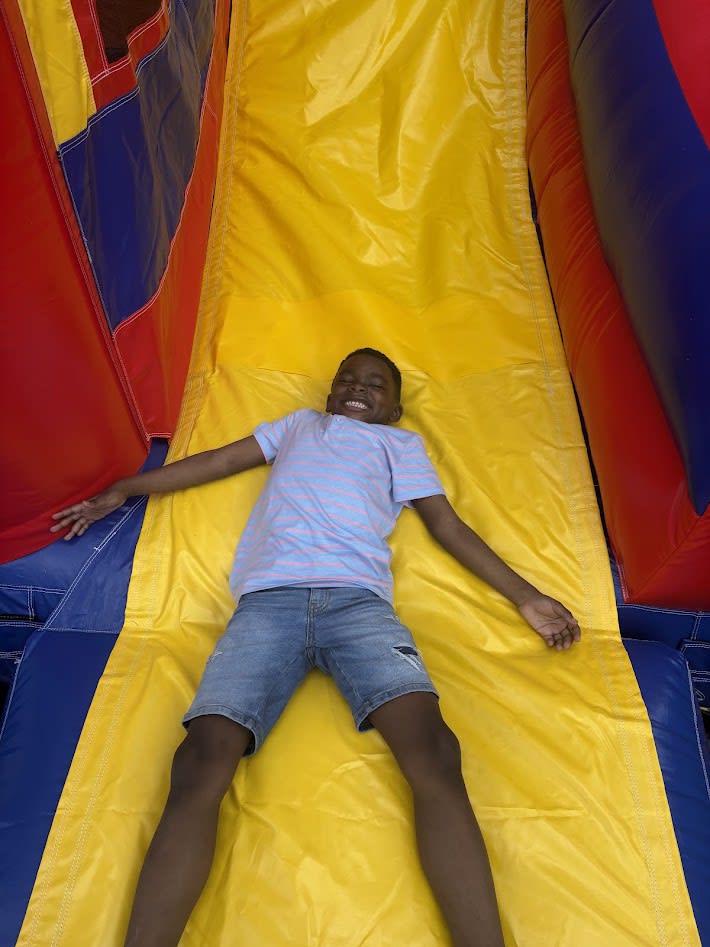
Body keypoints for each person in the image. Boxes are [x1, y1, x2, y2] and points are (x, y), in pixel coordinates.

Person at [52, 347, 581, 947]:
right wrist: (126, 488)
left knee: (435, 751)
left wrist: (526, 597)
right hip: (267, 607)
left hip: (358, 607)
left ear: (395, 409)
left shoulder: (399, 446)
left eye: (375, 384)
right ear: (328, 394)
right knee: (200, 758)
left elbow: (447, 525)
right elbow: (218, 462)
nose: (357, 388)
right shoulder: (298, 426)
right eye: (346, 379)